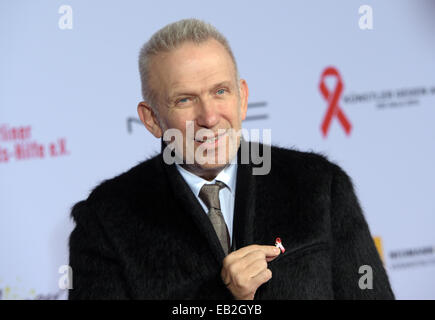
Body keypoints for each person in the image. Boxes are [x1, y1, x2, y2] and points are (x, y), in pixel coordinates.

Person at [68, 18, 395, 300]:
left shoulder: (319, 186)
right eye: (185, 99)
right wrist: (224, 299)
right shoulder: (106, 220)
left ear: (243, 98)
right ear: (152, 118)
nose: (209, 116)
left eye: (220, 91)